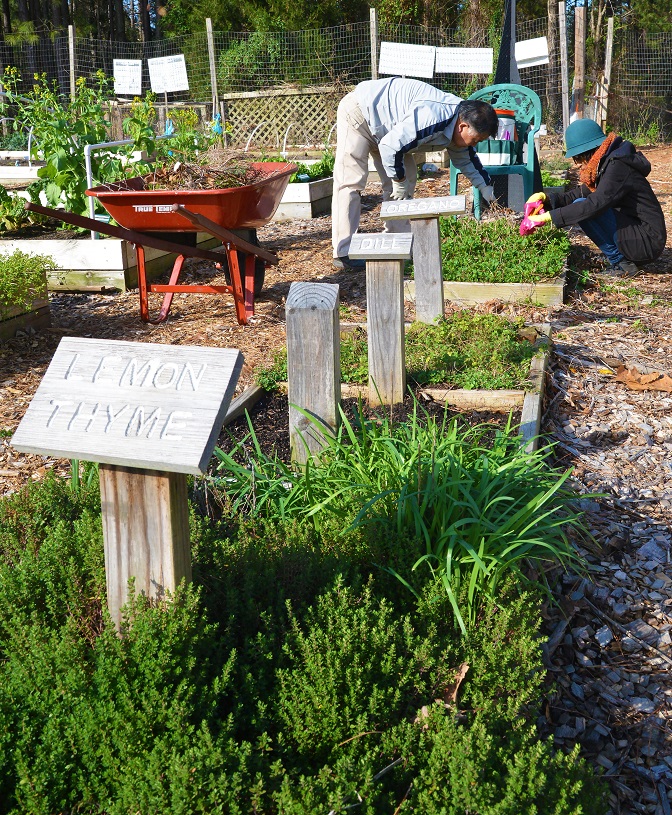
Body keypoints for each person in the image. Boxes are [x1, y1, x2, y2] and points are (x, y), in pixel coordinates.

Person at [331, 77, 499, 270]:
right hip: (361, 113)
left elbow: (466, 159)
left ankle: (397, 244)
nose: (475, 144)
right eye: (476, 139)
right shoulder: (433, 117)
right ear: (463, 126)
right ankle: (343, 252)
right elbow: (390, 147)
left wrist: (485, 187)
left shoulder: (459, 124)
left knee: (408, 178)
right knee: (350, 181)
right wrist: (398, 180)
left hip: (388, 129)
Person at [526, 118, 666, 278]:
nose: (577, 164)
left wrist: (550, 217)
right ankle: (621, 258)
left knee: (584, 208)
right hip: (639, 234)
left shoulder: (618, 167)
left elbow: (593, 205)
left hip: (647, 242)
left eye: (578, 158)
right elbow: (578, 193)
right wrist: (546, 200)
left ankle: (621, 263)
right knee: (581, 203)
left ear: (589, 151)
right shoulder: (607, 163)